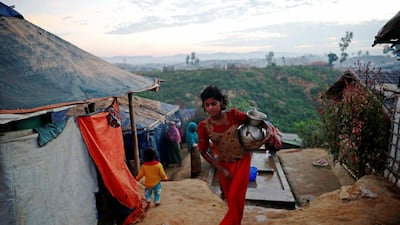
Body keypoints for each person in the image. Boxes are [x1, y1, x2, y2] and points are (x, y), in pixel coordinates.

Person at [197, 85, 282, 225]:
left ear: (221, 103)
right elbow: (203, 151)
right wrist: (221, 169)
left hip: (242, 161)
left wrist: (269, 131)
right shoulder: (204, 126)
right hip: (223, 164)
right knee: (232, 202)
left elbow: (257, 120)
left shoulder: (233, 116)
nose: (210, 108)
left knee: (235, 196)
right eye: (207, 105)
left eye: (214, 103)